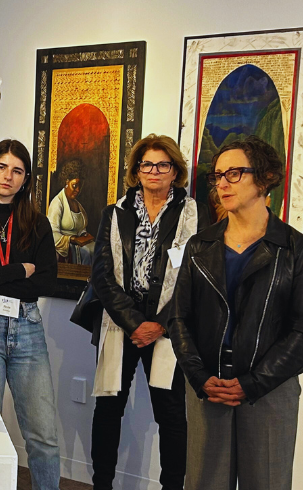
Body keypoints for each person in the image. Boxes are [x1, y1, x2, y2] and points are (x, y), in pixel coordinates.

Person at [168, 135, 303, 490]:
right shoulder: (200, 245)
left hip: (269, 392)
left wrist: (252, 383)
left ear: (264, 178)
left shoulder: (296, 249)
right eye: (217, 175)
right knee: (204, 483)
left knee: (266, 482)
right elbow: (178, 319)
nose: (222, 182)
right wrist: (199, 377)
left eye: (234, 173)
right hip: (210, 387)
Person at [90, 134, 209, 490]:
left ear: (176, 171)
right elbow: (102, 273)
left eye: (163, 164)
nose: (154, 171)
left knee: (172, 415)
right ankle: (102, 484)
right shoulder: (115, 213)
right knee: (109, 410)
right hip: (122, 321)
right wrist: (134, 323)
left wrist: (159, 323)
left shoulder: (195, 214)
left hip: (169, 325)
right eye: (147, 164)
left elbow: (197, 275)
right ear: (136, 171)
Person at [0, 139, 59, 490]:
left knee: (43, 436)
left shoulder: (37, 223)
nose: (8, 176)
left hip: (28, 327)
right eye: (1, 167)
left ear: (25, 179)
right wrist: (20, 270)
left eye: (17, 170)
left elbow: (48, 281)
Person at [47, 160, 95, 264]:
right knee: (87, 252)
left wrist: (84, 235)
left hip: (78, 243)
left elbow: (81, 228)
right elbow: (52, 233)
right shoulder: (57, 203)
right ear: (66, 182)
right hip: (66, 247)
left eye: (80, 186)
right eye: (74, 185)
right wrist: (71, 239)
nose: (78, 190)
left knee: (97, 249)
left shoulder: (77, 204)